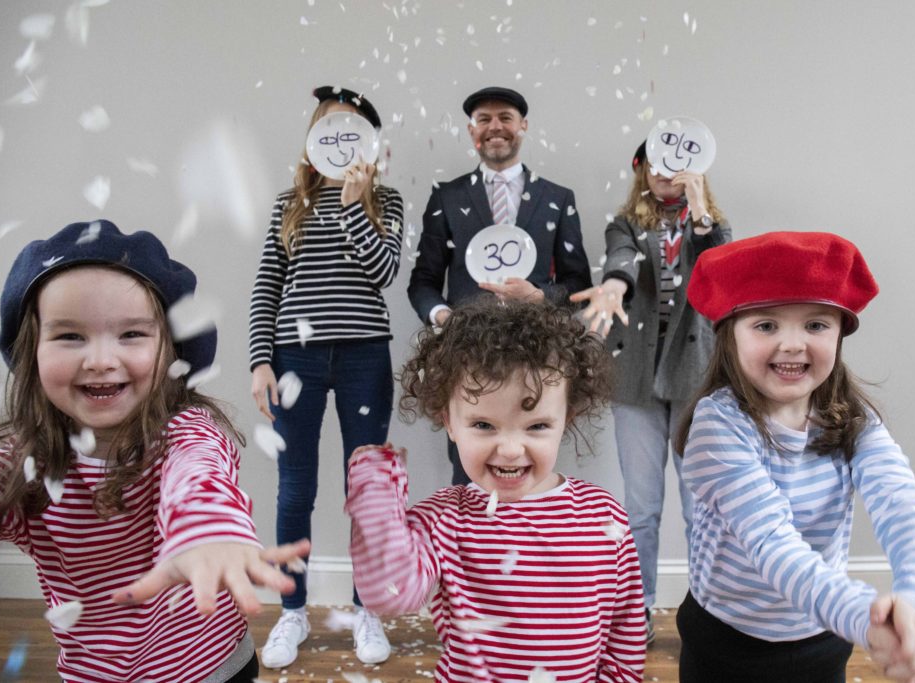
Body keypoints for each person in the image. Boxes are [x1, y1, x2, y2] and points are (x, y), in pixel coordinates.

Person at [0, 220, 309, 683]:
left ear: (171, 352)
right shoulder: (24, 461)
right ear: (31, 350)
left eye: (131, 335)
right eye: (70, 336)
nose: (99, 359)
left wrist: (205, 534)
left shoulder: (188, 432)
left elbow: (198, 479)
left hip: (211, 669)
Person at [674, 231, 915, 682]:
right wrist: (868, 619)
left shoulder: (854, 419)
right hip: (727, 644)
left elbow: (905, 506)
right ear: (729, 336)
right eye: (766, 325)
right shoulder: (718, 426)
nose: (792, 344)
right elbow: (772, 543)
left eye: (816, 325)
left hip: (821, 638)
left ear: (839, 334)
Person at [345, 299, 646, 682]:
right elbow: (388, 594)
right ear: (449, 423)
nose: (509, 449)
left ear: (565, 419)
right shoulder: (443, 519)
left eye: (536, 426)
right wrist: (376, 498)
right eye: (484, 425)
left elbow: (625, 627)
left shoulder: (603, 514)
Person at [248, 85, 403, 668]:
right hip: (296, 358)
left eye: (352, 130)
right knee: (295, 489)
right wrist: (260, 359)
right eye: (330, 128)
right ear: (314, 140)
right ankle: (293, 613)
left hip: (365, 353)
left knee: (365, 488)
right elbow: (268, 285)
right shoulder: (289, 204)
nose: (340, 139)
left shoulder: (384, 203)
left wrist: (352, 202)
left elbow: (383, 271)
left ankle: (368, 611)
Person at [570, 142, 731, 645]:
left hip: (693, 376)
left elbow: (721, 270)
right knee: (641, 507)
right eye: (656, 165)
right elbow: (621, 260)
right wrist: (615, 285)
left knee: (700, 503)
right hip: (636, 376)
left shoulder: (713, 226)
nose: (667, 173)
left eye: (678, 165)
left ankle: (707, 607)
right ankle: (636, 612)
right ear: (641, 171)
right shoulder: (624, 223)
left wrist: (700, 213)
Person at [407, 85, 592, 485]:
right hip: (469, 356)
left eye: (505, 118)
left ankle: (527, 547)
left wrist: (541, 297)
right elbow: (422, 281)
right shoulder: (446, 196)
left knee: (529, 466)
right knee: (470, 469)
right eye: (484, 119)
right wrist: (444, 318)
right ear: (472, 130)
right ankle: (468, 547)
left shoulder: (558, 198)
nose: (495, 127)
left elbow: (579, 282)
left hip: (539, 357)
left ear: (523, 126)